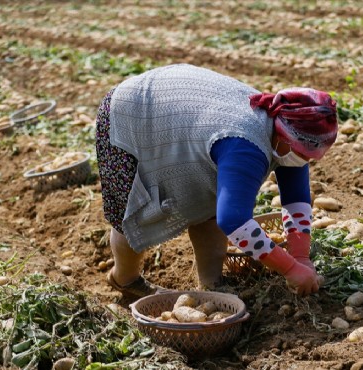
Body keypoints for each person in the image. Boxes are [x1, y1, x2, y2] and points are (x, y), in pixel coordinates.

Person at [95, 63, 338, 298]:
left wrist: (302, 257)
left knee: (211, 200)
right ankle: (125, 279)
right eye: (304, 155)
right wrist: (290, 269)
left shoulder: (289, 133)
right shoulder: (246, 147)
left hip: (189, 109)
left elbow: (295, 198)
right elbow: (234, 221)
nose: (307, 161)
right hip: (132, 111)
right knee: (132, 213)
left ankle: (212, 286)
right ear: (284, 136)